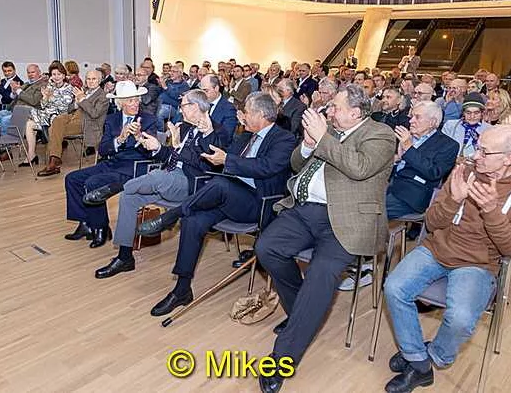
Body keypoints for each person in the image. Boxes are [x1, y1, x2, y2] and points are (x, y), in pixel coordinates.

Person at [254, 84, 396, 393]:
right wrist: (307, 146)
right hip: (306, 211)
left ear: (355, 113)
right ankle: (302, 315)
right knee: (266, 248)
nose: (329, 111)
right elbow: (296, 164)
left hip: (346, 220)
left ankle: (282, 358)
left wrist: (322, 138)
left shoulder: (380, 134)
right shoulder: (329, 131)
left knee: (321, 273)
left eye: (335, 107)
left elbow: (359, 168)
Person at [137, 93, 297, 317]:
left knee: (220, 185)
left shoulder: (284, 139)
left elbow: (266, 167)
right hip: (229, 196)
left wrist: (227, 160)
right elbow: (218, 155)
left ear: (261, 114)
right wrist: (208, 135)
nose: (243, 116)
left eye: (247, 112)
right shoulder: (245, 136)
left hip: (258, 203)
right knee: (193, 220)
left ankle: (171, 216)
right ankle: (181, 289)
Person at [383, 125, 511, 393]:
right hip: (436, 248)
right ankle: (418, 362)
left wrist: (491, 211)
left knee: (461, 318)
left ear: (507, 159)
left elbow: (508, 249)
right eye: (477, 148)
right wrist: (453, 199)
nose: (476, 155)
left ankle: (432, 356)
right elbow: (431, 221)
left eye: (485, 152)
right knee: (394, 287)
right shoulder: (463, 172)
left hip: (477, 264)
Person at [93, 89, 229, 279]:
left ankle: (117, 186)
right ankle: (125, 257)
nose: (180, 110)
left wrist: (189, 143)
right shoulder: (185, 127)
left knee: (156, 176)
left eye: (183, 106)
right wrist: (158, 148)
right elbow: (170, 157)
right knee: (129, 196)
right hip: (169, 177)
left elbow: (204, 166)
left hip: (191, 184)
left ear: (195, 107)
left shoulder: (217, 131)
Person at [63, 81, 156, 248]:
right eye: (131, 100)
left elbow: (151, 153)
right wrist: (119, 139)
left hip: (134, 167)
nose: (135, 104)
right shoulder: (112, 119)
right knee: (72, 179)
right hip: (112, 163)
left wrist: (138, 137)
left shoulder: (148, 120)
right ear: (121, 103)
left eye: (137, 100)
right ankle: (86, 223)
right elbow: (103, 149)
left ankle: (101, 228)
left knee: (93, 183)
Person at [387, 101, 459, 219]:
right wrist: (397, 159)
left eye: (417, 117)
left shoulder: (448, 145)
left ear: (432, 122)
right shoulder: (406, 135)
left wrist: (409, 149)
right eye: (412, 116)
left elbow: (434, 172)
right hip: (387, 185)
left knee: (367, 211)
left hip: (411, 195)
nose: (411, 121)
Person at [37, 69, 109, 176]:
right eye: (88, 79)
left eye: (94, 79)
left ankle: (53, 162)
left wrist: (83, 99)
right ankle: (54, 161)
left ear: (99, 80)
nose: (90, 81)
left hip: (88, 122)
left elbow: (94, 114)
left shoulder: (103, 96)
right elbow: (70, 109)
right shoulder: (84, 90)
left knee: (53, 129)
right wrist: (76, 103)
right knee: (57, 119)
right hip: (74, 116)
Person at [21, 61, 74, 166]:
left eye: (59, 74)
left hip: (59, 118)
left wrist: (51, 97)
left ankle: (53, 155)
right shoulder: (50, 87)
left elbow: (63, 106)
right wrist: (45, 97)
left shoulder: (69, 88)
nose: (56, 77)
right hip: (46, 115)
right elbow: (43, 105)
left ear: (63, 75)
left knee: (48, 119)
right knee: (29, 124)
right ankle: (31, 155)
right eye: (54, 74)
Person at [442, 92, 491, 159]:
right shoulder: (450, 125)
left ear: (482, 113)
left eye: (476, 113)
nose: (472, 116)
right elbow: (442, 148)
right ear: (463, 113)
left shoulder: (489, 130)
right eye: (468, 113)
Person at [200, 74, 238, 144]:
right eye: (201, 91)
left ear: (216, 88)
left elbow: (226, 138)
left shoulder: (229, 109)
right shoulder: (200, 104)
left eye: (206, 91)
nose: (203, 94)